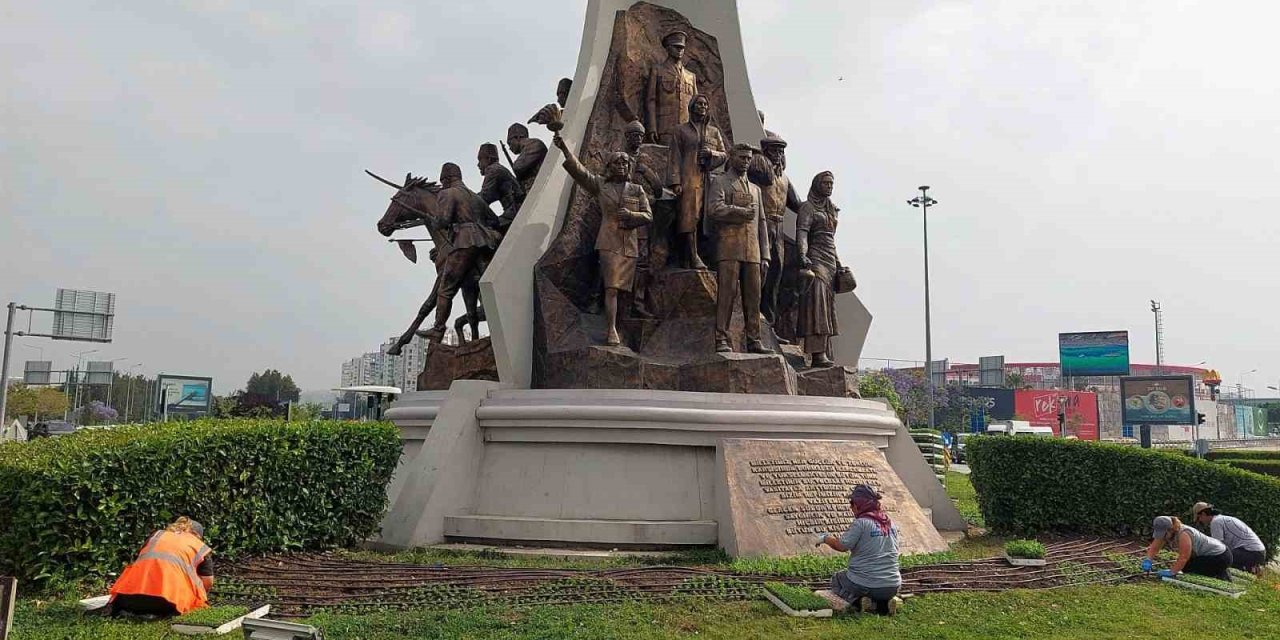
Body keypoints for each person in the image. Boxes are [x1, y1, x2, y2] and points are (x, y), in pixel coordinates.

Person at [552, 132, 652, 347]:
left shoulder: (637, 189)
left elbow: (648, 215)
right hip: (609, 242)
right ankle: (611, 329)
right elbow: (580, 173)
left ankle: (623, 327)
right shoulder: (601, 186)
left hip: (630, 245)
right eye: (617, 163)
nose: (621, 166)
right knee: (611, 288)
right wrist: (564, 149)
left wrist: (633, 216)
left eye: (625, 163)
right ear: (610, 166)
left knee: (626, 291)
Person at [707, 143, 771, 354]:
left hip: (752, 251)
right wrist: (737, 211)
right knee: (727, 294)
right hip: (729, 247)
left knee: (754, 298)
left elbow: (762, 222)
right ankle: (721, 338)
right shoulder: (720, 182)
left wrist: (766, 254)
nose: (746, 161)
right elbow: (714, 209)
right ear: (732, 157)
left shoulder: (755, 189)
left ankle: (754, 340)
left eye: (748, 158)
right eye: (742, 157)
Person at [815, 485, 904, 615]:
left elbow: (841, 546)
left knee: (838, 578)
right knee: (873, 586)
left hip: (867, 585)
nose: (851, 507)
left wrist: (825, 538)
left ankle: (858, 601)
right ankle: (882, 604)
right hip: (893, 585)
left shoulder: (861, 523)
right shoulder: (890, 523)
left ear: (859, 505)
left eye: (852, 503)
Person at [105, 517, 214, 618]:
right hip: (168, 602)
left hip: (127, 598)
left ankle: (125, 609)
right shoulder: (199, 546)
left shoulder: (156, 536)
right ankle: (155, 612)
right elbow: (207, 582)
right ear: (198, 536)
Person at [795, 171, 844, 367]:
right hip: (815, 259)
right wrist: (802, 255)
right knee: (817, 307)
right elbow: (802, 233)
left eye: (831, 183)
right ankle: (817, 354)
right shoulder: (808, 208)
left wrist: (839, 263)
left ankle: (826, 350)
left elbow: (831, 240)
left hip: (830, 259)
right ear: (817, 184)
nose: (829, 186)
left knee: (828, 307)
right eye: (825, 183)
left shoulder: (831, 209)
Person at [1143, 515, 1233, 580]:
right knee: (1186, 567)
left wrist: (1172, 572)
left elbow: (1184, 557)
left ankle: (1220, 573)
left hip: (1221, 556)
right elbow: (1154, 547)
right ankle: (1217, 570)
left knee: (1188, 568)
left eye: (1163, 534)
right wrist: (1148, 560)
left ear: (1171, 529)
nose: (1162, 537)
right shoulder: (1168, 532)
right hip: (1210, 554)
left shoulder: (1184, 534)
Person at [1193, 502, 1267, 575]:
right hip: (1258, 552)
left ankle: (1226, 578)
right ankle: (1252, 569)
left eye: (1198, 518)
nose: (1200, 521)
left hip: (1251, 552)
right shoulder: (1223, 518)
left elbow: (1218, 547)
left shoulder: (1215, 522)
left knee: (1222, 558)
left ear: (1203, 514)